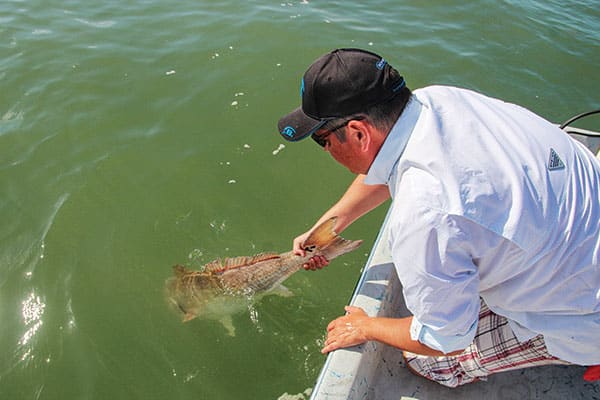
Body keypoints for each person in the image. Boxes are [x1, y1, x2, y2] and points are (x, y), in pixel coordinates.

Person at [277, 48, 600, 387]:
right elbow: (388, 162)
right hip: (577, 230)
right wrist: (331, 224)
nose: (325, 149)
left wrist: (365, 326)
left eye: (321, 140)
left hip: (585, 313)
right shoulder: (435, 101)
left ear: (359, 133)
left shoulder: (424, 214)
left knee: (424, 362)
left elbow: (445, 340)